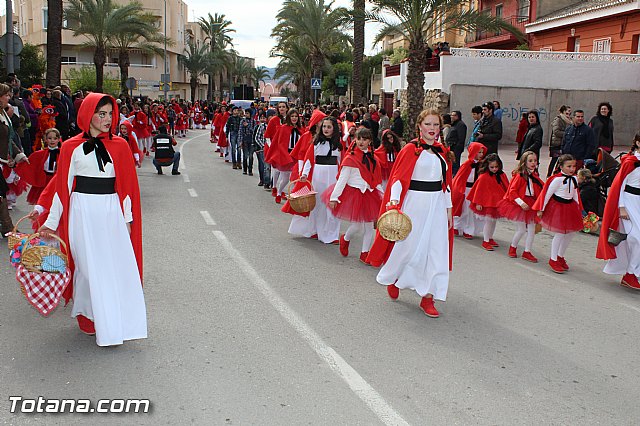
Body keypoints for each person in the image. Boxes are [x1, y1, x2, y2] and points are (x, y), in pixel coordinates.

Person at [36, 92, 147, 346]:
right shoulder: (69, 147)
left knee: (109, 267)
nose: (107, 119)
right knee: (87, 268)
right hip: (81, 213)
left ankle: (110, 319)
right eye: (101, 113)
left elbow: (127, 188)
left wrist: (128, 219)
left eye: (110, 114)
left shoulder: (120, 145)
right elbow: (61, 189)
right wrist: (50, 223)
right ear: (88, 114)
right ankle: (87, 315)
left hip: (110, 213)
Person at [367, 109, 453, 318]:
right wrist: (394, 203)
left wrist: (449, 210)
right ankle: (395, 278)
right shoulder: (410, 149)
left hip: (437, 206)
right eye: (428, 125)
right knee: (407, 248)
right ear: (420, 126)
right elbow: (398, 178)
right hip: (414, 204)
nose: (432, 129)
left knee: (436, 252)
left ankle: (428, 297)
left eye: (436, 125)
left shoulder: (443, 152)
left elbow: (446, 185)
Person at [322, 127, 383, 263]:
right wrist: (334, 197)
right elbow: (342, 180)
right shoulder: (351, 158)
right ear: (355, 139)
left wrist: (384, 196)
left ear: (370, 142)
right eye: (359, 138)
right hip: (354, 194)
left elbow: (376, 180)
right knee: (357, 226)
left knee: (368, 227)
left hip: (369, 195)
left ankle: (364, 253)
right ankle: (345, 238)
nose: (361, 142)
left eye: (365, 139)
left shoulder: (373, 159)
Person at [597, 132, 640, 289]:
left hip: (639, 202)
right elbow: (619, 185)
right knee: (636, 238)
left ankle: (632, 273)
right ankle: (630, 273)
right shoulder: (629, 162)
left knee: (635, 240)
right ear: (637, 143)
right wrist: (621, 206)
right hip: (628, 201)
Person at [533, 154, 583, 273]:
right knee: (560, 233)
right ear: (561, 166)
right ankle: (553, 258)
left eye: (574, 166)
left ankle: (560, 255)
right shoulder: (557, 180)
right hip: (558, 208)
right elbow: (547, 195)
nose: (572, 169)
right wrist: (541, 208)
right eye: (569, 166)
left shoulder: (575, 178)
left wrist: (580, 209)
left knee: (570, 233)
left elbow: (575, 194)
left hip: (570, 207)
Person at [299, 117, 343, 244]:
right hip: (318, 174)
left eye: (329, 127)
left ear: (334, 129)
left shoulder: (339, 144)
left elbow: (343, 161)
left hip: (333, 174)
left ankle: (332, 234)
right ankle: (315, 230)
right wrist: (305, 174)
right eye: (324, 127)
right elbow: (309, 159)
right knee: (318, 203)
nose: (326, 129)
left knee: (333, 203)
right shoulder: (316, 142)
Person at [498, 151, 544, 262]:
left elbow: (540, 189)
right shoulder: (519, 176)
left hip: (531, 205)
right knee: (522, 229)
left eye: (535, 160)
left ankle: (527, 252)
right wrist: (521, 202)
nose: (533, 163)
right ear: (524, 162)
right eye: (530, 161)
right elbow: (512, 192)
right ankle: (513, 247)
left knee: (532, 230)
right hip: (519, 205)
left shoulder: (535, 176)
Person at [467, 153, 509, 251]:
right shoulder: (484, 176)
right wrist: (478, 202)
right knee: (489, 221)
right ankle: (485, 240)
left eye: (496, 167)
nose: (494, 169)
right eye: (492, 167)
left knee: (493, 221)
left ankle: (490, 238)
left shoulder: (501, 175)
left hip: (497, 202)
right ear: (487, 166)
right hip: (487, 203)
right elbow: (479, 190)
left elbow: (507, 187)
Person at [267, 109, 304, 203]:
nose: (294, 118)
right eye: (292, 116)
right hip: (286, 154)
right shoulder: (284, 128)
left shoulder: (301, 129)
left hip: (297, 156)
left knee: (295, 177)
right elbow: (280, 143)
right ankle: (279, 192)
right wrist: (285, 155)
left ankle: (292, 195)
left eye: (296, 116)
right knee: (285, 178)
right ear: (288, 117)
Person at [16, 128, 61, 205]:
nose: (52, 140)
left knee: (54, 202)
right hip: (43, 180)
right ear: (45, 139)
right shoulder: (40, 154)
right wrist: (20, 162)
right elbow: (31, 163)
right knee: (42, 203)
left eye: (55, 138)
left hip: (55, 180)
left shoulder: (62, 153)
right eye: (49, 138)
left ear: (59, 139)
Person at [452, 142, 486, 239]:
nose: (481, 154)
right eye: (479, 152)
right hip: (465, 190)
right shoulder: (466, 164)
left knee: (471, 212)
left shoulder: (482, 165)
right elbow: (459, 178)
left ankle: (469, 229)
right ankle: (457, 226)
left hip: (475, 190)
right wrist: (459, 190)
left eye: (482, 152)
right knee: (463, 210)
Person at [548, 106, 572, 177]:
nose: (569, 112)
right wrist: (567, 134)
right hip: (557, 143)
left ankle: (556, 174)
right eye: (567, 111)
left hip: (564, 144)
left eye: (570, 111)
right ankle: (549, 175)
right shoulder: (558, 120)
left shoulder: (570, 121)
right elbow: (556, 131)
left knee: (561, 161)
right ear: (563, 111)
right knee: (554, 160)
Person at [447, 110, 467, 175]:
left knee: (455, 164)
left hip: (456, 148)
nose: (451, 117)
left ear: (457, 116)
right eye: (451, 115)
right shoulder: (454, 124)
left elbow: (461, 137)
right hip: (451, 147)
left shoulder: (461, 125)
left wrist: (457, 147)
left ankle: (455, 176)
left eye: (453, 115)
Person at [253, 113, 269, 188]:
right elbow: (256, 137)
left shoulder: (274, 125)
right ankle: (263, 180)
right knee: (263, 165)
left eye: (264, 117)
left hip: (271, 149)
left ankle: (269, 181)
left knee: (269, 166)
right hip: (262, 148)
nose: (263, 119)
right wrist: (262, 146)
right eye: (261, 117)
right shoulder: (261, 126)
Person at [239, 108, 257, 176]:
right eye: (245, 113)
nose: (246, 115)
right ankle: (245, 169)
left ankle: (250, 170)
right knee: (245, 155)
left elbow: (254, 131)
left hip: (251, 139)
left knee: (251, 156)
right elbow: (240, 131)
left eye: (247, 113)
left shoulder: (253, 121)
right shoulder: (242, 121)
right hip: (245, 139)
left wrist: (248, 126)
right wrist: (240, 141)